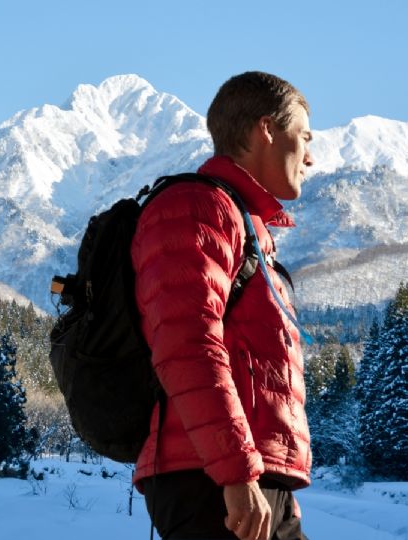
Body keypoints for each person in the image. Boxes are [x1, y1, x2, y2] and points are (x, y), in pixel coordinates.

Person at [132, 71, 314, 540]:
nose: (310, 157)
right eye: (305, 136)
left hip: (247, 476)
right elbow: (187, 344)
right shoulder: (198, 208)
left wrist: (278, 482)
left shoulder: (244, 223)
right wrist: (237, 475)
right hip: (211, 482)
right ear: (266, 129)